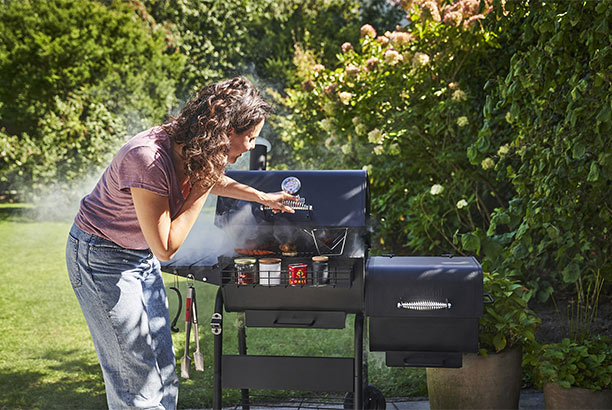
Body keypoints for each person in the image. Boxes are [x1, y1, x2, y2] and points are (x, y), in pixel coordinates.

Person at [65, 77, 296, 409]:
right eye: (249, 137)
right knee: (137, 380)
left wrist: (261, 196)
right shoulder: (147, 158)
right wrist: (202, 185)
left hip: (137, 255)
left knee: (163, 368)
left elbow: (212, 177)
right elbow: (167, 247)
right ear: (223, 132)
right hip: (102, 258)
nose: (249, 147)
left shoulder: (188, 147)